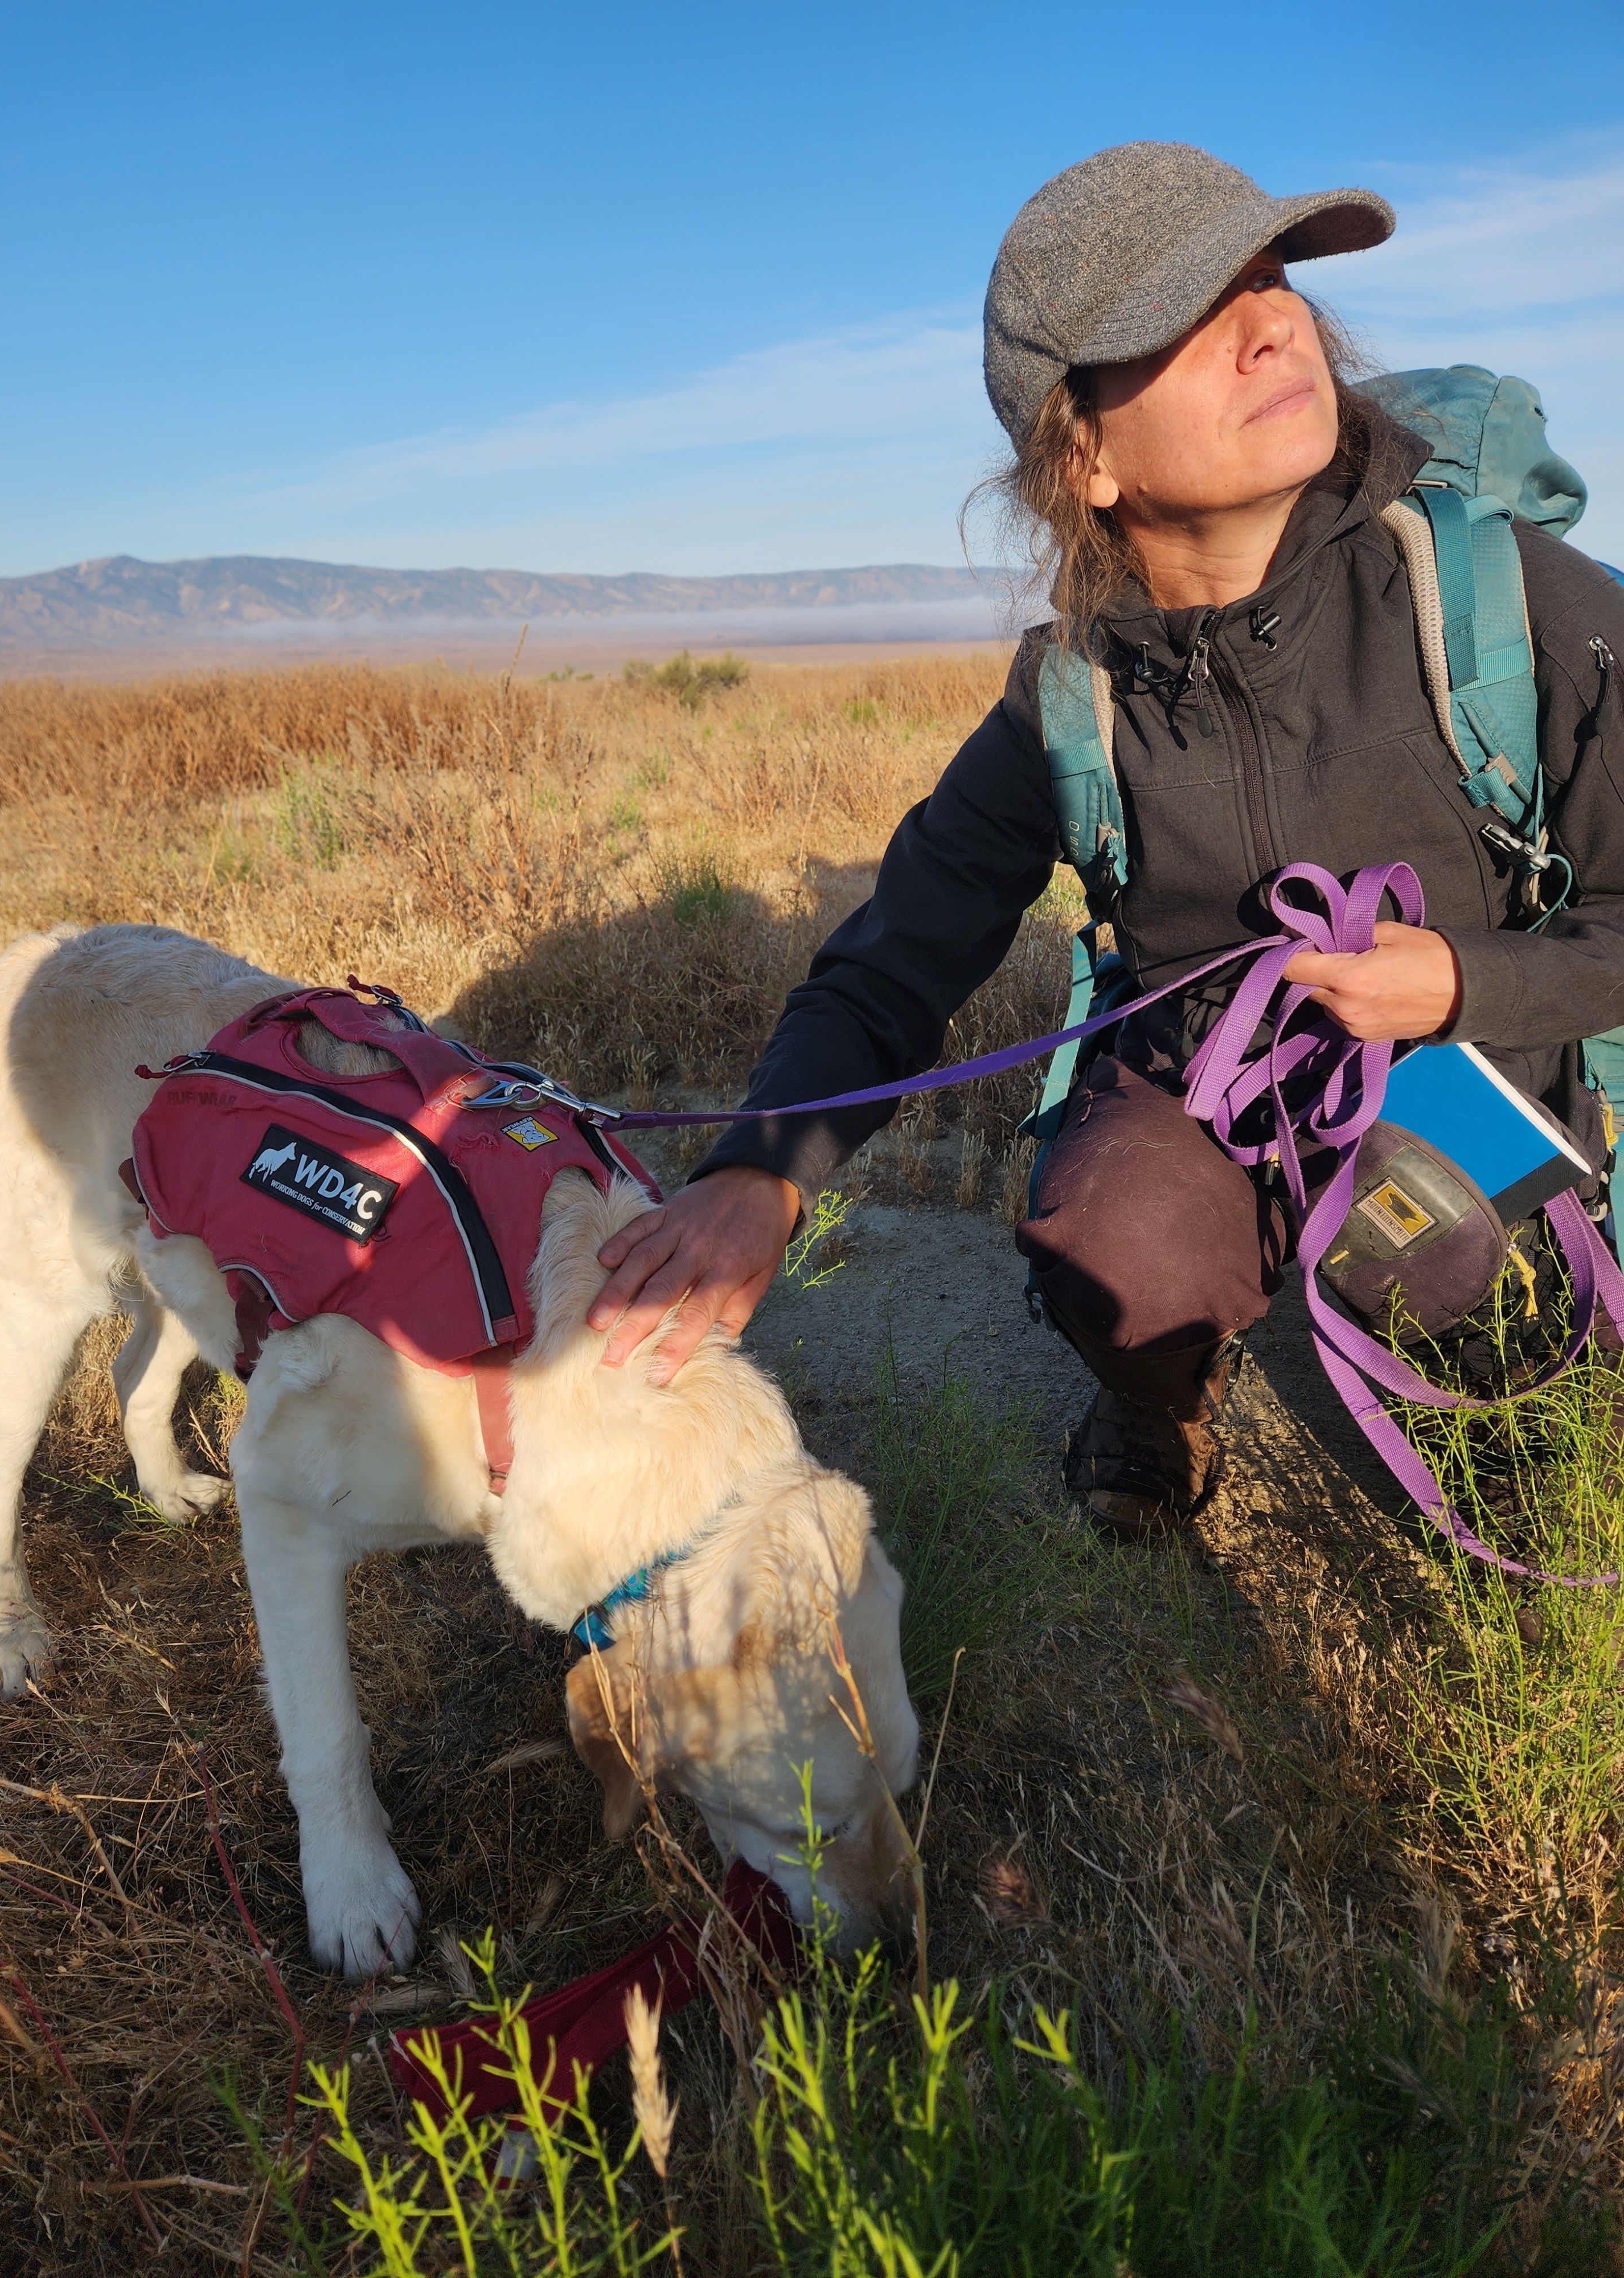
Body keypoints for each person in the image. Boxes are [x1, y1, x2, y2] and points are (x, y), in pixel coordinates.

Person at [586, 141, 1624, 1538]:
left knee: (1497, 1359)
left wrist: (1461, 982)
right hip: (1206, 1098)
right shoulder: (1071, 693)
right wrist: (758, 1170)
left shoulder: (1501, 598)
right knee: (1114, 1249)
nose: (1274, 326)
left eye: (1271, 281)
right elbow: (896, 960)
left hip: (1477, 1085)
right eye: (1192, 318)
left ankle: (1501, 1365)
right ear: (1084, 456)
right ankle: (1159, 1397)